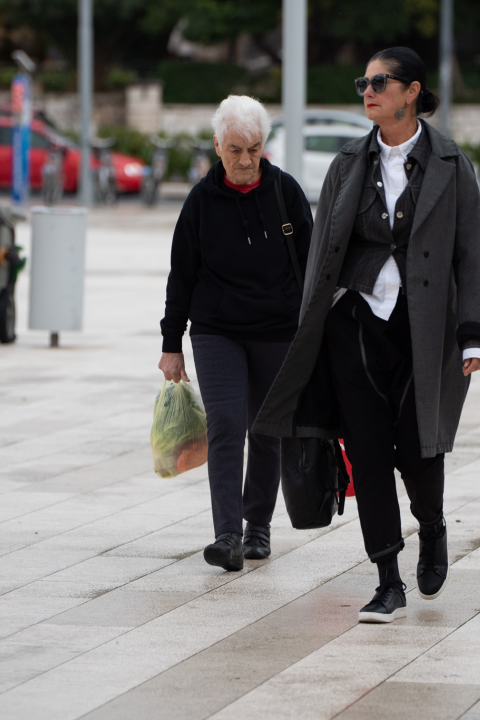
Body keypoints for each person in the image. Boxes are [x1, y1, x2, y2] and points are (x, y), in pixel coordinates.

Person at [253, 47, 480, 623]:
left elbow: (472, 251)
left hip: (427, 329)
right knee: (365, 451)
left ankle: (432, 525)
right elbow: (323, 251)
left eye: (380, 82)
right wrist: (313, 327)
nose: (368, 91)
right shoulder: (347, 162)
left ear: (412, 91)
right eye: (363, 83)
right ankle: (387, 578)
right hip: (357, 325)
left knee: (418, 448)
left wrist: (477, 335)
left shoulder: (451, 163)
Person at [159, 95, 313, 572]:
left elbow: (313, 268)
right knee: (225, 425)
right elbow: (181, 275)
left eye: (254, 149)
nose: (246, 161)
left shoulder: (285, 192)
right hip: (216, 331)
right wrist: (171, 344)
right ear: (217, 146)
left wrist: (319, 334)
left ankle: (257, 525)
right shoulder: (200, 202)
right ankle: (227, 535)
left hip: (278, 330)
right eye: (235, 150)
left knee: (266, 429)